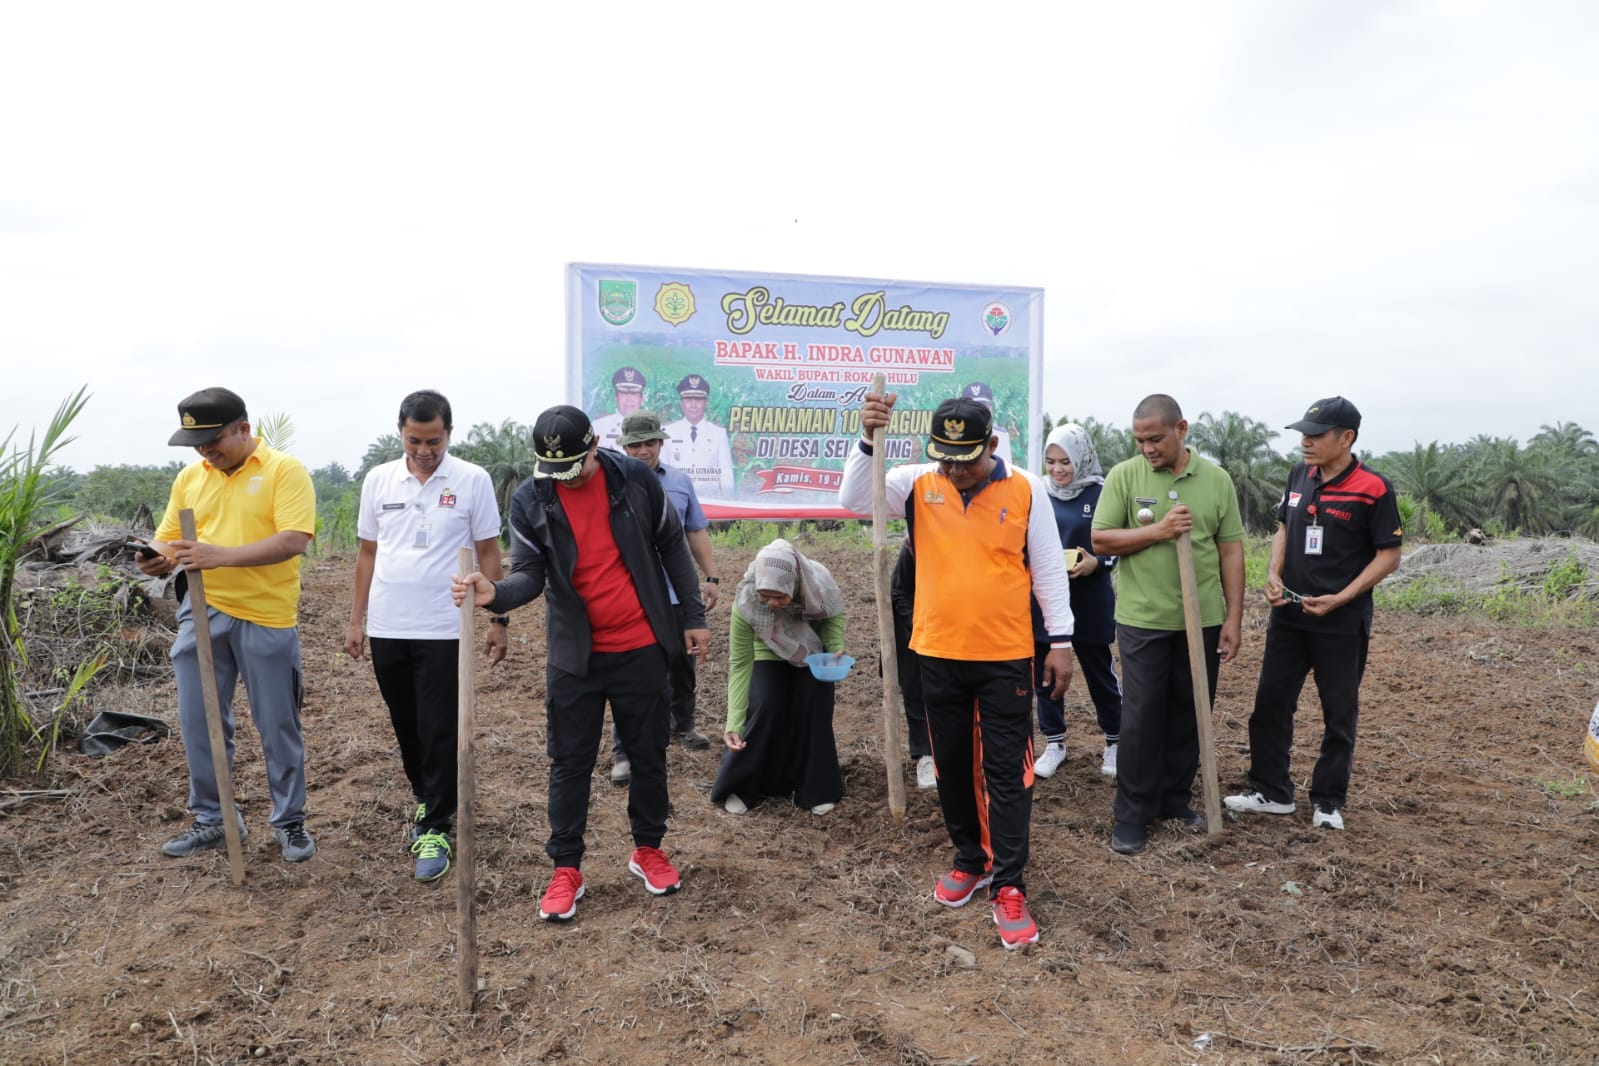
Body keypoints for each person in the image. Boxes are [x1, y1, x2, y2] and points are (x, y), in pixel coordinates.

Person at [453, 405, 709, 922]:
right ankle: (566, 867)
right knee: (569, 762)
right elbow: (530, 574)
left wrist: (694, 614)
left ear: (594, 445)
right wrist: (494, 594)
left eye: (575, 465)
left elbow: (672, 547)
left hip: (641, 643)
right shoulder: (532, 498)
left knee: (648, 753)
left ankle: (648, 849)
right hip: (576, 654)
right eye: (556, 471)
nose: (566, 479)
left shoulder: (635, 479)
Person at [839, 391, 1074, 951]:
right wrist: (868, 437)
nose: (955, 470)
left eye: (965, 459)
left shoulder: (1025, 489)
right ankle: (970, 858)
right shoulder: (921, 484)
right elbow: (853, 498)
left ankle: (1010, 883)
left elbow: (1046, 567)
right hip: (936, 653)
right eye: (945, 457)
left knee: (1006, 773)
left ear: (991, 445)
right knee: (948, 766)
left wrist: (1060, 640)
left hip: (1004, 656)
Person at [137, 387, 318, 863]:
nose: (205, 451)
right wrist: (156, 559)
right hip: (203, 609)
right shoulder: (191, 478)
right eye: (196, 443)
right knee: (200, 721)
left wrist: (222, 557)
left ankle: (290, 821)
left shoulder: (285, 471)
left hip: (266, 614)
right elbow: (171, 541)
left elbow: (294, 540)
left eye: (213, 440)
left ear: (243, 428)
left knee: (277, 723)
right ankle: (214, 819)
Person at [344, 390, 505, 882]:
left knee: (439, 725)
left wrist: (499, 617)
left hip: (444, 626)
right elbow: (368, 554)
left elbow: (489, 551)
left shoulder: (472, 480)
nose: (423, 450)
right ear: (401, 432)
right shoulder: (379, 480)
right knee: (406, 723)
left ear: (448, 434)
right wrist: (357, 620)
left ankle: (436, 824)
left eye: (433, 441)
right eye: (414, 440)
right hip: (390, 623)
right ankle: (428, 798)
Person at [1226, 397, 1402, 831]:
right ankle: (1271, 791)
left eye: (1316, 434)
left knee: (1338, 713)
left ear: (1347, 438)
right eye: (1303, 433)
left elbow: (1389, 555)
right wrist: (1272, 571)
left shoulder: (1373, 488)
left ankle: (1327, 801)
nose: (1305, 441)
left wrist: (1342, 597)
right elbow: (1285, 526)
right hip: (1289, 614)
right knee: (1270, 705)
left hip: (1341, 622)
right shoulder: (1299, 475)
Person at [1092, 394, 1245, 857]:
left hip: (1202, 621)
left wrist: (1233, 618)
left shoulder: (1216, 481)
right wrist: (1157, 531)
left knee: (1191, 708)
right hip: (1143, 619)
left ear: (1181, 429)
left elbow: (1231, 550)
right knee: (1141, 716)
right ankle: (1132, 813)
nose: (1147, 448)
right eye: (1139, 440)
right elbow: (1101, 539)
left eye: (1155, 438)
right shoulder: (1124, 476)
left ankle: (1174, 799)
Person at [608, 411, 719, 788]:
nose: (643, 450)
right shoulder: (610, 484)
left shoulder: (679, 482)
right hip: (628, 596)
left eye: (650, 443)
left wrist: (711, 576)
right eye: (635, 444)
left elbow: (695, 531)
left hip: (675, 592)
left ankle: (682, 725)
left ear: (660, 444)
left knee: (682, 661)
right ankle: (622, 751)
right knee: (630, 673)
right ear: (623, 446)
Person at [711, 539, 846, 815]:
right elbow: (739, 664)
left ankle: (816, 787)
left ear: (795, 585)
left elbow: (832, 619)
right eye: (766, 596)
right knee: (765, 703)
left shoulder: (818, 584)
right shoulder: (747, 600)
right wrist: (733, 722)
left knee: (815, 702)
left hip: (811, 650)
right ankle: (744, 785)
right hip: (766, 650)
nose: (772, 604)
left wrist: (834, 647)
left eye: (780, 597)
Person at [1032, 423, 1123, 781]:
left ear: (1082, 458)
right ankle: (1054, 742)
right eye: (1051, 461)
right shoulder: (1038, 491)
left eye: (1065, 461)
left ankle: (1116, 740)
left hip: (1089, 600)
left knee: (1100, 673)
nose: (1058, 469)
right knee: (1047, 674)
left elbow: (1115, 544)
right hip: (1046, 601)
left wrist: (1096, 563)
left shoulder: (1102, 493)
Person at [889, 543, 936, 790]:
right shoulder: (917, 543)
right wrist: (918, 625)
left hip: (960, 623)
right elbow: (900, 591)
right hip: (916, 622)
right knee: (915, 685)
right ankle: (925, 754)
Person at [665, 373, 735, 499]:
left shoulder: (718, 434)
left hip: (712, 502)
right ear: (681, 403)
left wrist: (728, 503)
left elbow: (726, 472)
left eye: (698, 400)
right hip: (677, 502)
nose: (693, 405)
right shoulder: (667, 433)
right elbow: (663, 472)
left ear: (706, 403)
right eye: (688, 400)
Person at [591, 366, 648, 453]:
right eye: (624, 393)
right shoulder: (599, 427)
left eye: (633, 393)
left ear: (641, 398)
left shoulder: (654, 429)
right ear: (616, 397)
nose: (629, 399)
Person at [961, 381, 1014, 468]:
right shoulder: (954, 435)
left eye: (982, 406)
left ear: (990, 408)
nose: (978, 411)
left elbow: (1006, 469)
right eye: (973, 406)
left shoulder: (1001, 435)